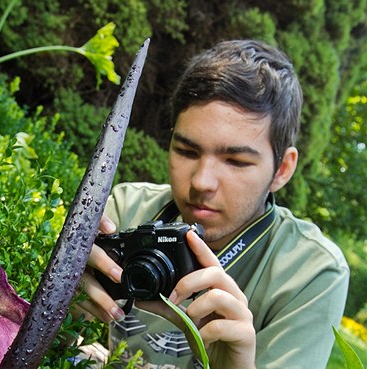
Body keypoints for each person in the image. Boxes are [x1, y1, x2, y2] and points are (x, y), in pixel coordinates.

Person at [76, 39, 350, 369]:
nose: (201, 182)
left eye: (235, 161)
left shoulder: (311, 272)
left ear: (282, 169)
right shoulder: (126, 207)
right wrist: (64, 301)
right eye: (187, 151)